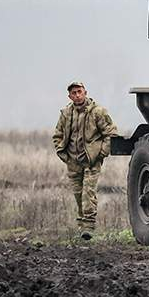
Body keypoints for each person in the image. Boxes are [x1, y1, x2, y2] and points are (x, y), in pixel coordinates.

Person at [52, 81, 117, 240]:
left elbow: (111, 133)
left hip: (91, 160)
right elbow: (57, 135)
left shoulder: (97, 112)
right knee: (77, 193)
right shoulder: (66, 113)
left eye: (79, 91)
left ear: (85, 92)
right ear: (70, 96)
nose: (77, 95)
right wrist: (63, 154)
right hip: (72, 161)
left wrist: (101, 153)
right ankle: (82, 226)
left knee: (88, 191)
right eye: (74, 93)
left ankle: (88, 226)